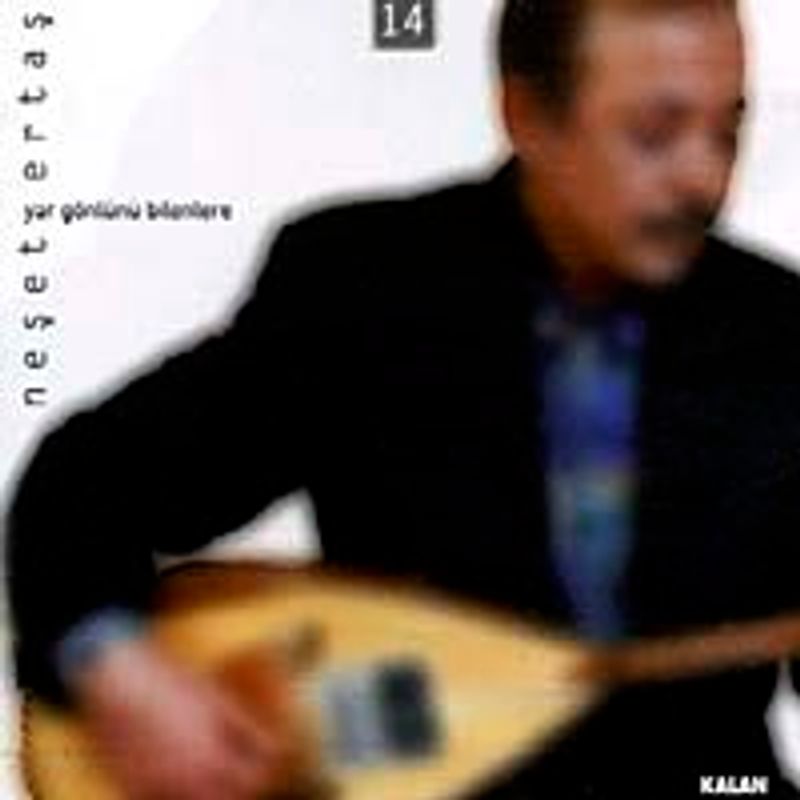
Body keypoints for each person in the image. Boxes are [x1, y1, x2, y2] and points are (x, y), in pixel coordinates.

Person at [8, 0, 800, 797]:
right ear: (527, 115)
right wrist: (117, 669)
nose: (704, 177)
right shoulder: (366, 287)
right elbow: (81, 490)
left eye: (727, 131)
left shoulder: (781, 332)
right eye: (655, 132)